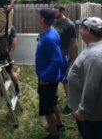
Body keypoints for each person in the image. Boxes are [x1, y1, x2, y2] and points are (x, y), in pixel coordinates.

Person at [68, 17, 102, 139]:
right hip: (91, 112)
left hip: (89, 115)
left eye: (81, 27)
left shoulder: (95, 56)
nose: (79, 30)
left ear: (87, 30)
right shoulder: (98, 46)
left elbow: (91, 86)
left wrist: (82, 110)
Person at [35, 9, 64, 139]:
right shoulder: (49, 33)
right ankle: (58, 124)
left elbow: (57, 60)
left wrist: (44, 77)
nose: (37, 17)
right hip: (48, 77)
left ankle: (53, 134)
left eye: (39, 16)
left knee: (47, 108)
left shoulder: (50, 38)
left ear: (43, 19)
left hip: (48, 79)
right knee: (52, 102)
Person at [53, 5, 78, 115]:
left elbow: (74, 41)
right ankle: (55, 96)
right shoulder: (54, 22)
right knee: (54, 76)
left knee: (65, 80)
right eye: (53, 11)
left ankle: (70, 104)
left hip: (64, 54)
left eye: (56, 11)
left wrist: (73, 56)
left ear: (62, 11)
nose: (54, 13)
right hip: (54, 53)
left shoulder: (69, 24)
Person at [6, 25, 21, 95]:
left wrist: (11, 52)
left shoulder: (11, 27)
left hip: (7, 54)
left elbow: (14, 40)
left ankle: (17, 89)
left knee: (10, 71)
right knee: (6, 72)